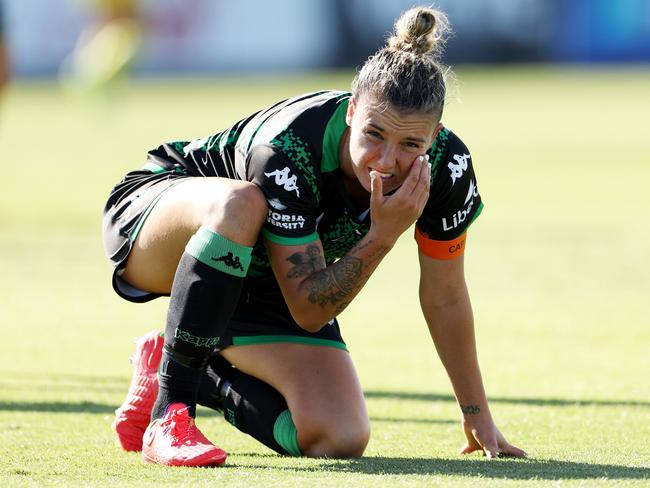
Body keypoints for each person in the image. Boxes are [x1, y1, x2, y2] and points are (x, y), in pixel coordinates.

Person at [103, 6, 526, 467]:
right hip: (163, 219)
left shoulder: (447, 169)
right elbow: (307, 309)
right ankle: (171, 413)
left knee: (339, 436)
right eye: (374, 134)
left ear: (435, 136)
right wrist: (382, 238)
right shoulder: (287, 149)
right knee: (242, 203)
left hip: (268, 273)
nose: (386, 160)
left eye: (410, 145)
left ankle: (183, 358)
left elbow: (445, 295)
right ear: (350, 112)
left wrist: (477, 413)